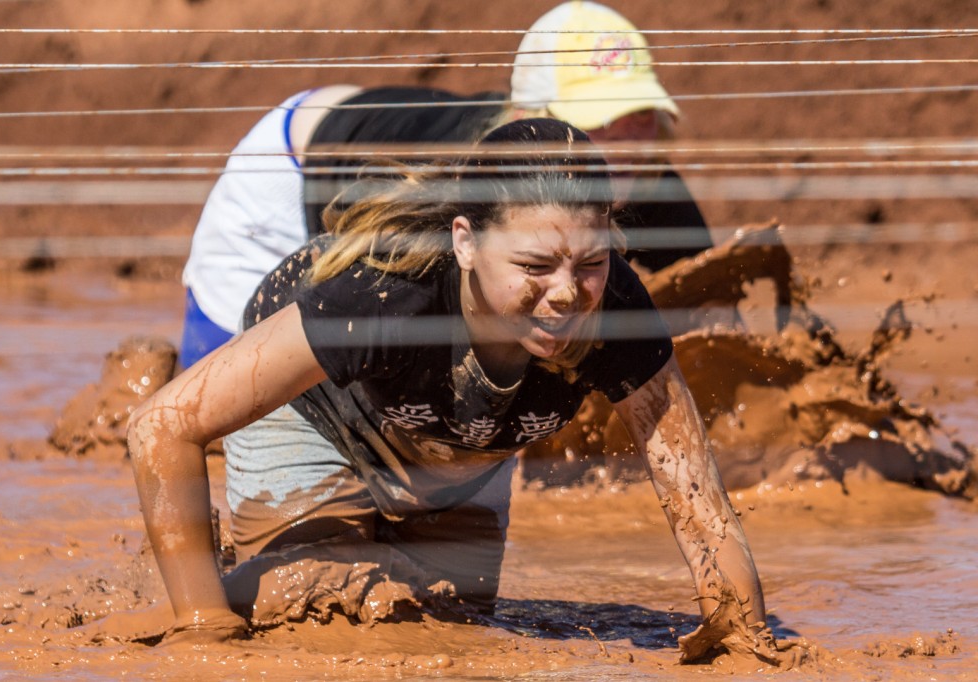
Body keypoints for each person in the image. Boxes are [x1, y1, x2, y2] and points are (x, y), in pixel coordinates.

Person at [127, 118, 773, 662]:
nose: (567, 295)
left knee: (445, 621)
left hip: (460, 436)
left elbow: (697, 499)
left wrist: (744, 630)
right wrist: (201, 623)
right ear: (465, 241)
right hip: (319, 413)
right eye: (534, 266)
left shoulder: (618, 314)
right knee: (322, 605)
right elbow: (161, 426)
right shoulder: (384, 298)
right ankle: (187, 592)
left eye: (592, 264)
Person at [179, 0, 712, 368]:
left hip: (366, 124)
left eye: (638, 117)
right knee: (230, 385)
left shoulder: (647, 174)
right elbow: (376, 290)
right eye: (597, 122)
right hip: (291, 164)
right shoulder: (458, 178)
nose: (623, 147)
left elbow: (709, 302)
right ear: (530, 117)